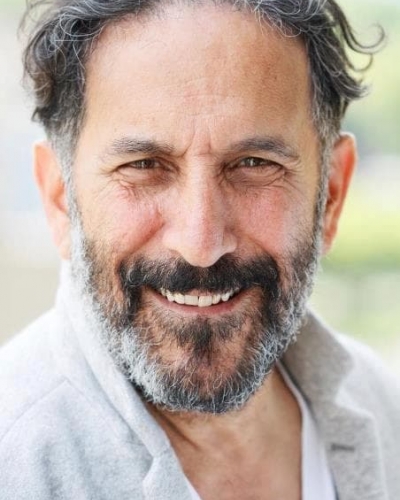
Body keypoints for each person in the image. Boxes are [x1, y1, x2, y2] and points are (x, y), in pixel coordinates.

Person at [0, 0, 399, 498]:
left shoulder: (387, 411)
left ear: (331, 196)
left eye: (254, 163)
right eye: (143, 166)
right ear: (60, 199)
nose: (201, 244)